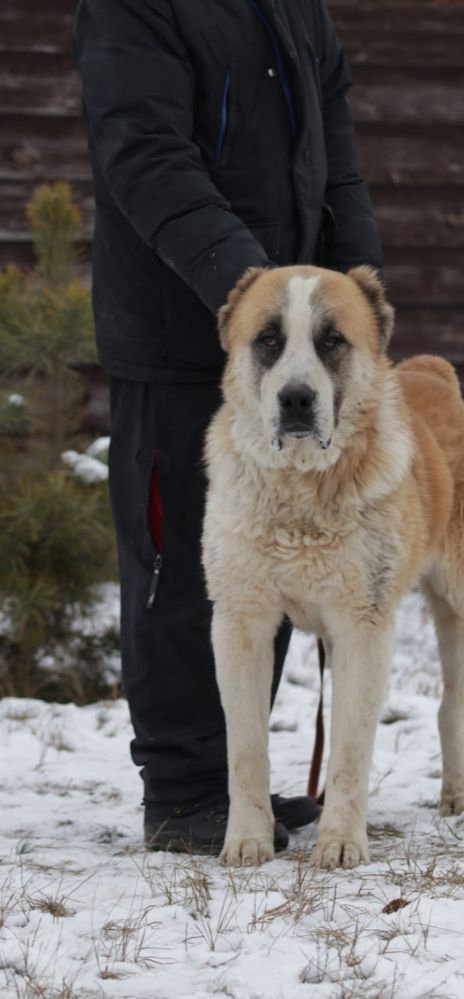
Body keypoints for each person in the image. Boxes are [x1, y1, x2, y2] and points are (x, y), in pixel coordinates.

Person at [73, 0, 383, 852]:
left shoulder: (293, 9)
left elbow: (339, 165)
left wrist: (363, 294)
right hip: (184, 334)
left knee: (269, 577)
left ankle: (233, 783)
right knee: (180, 571)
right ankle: (181, 790)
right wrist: (245, 286)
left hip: (294, 346)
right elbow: (146, 154)